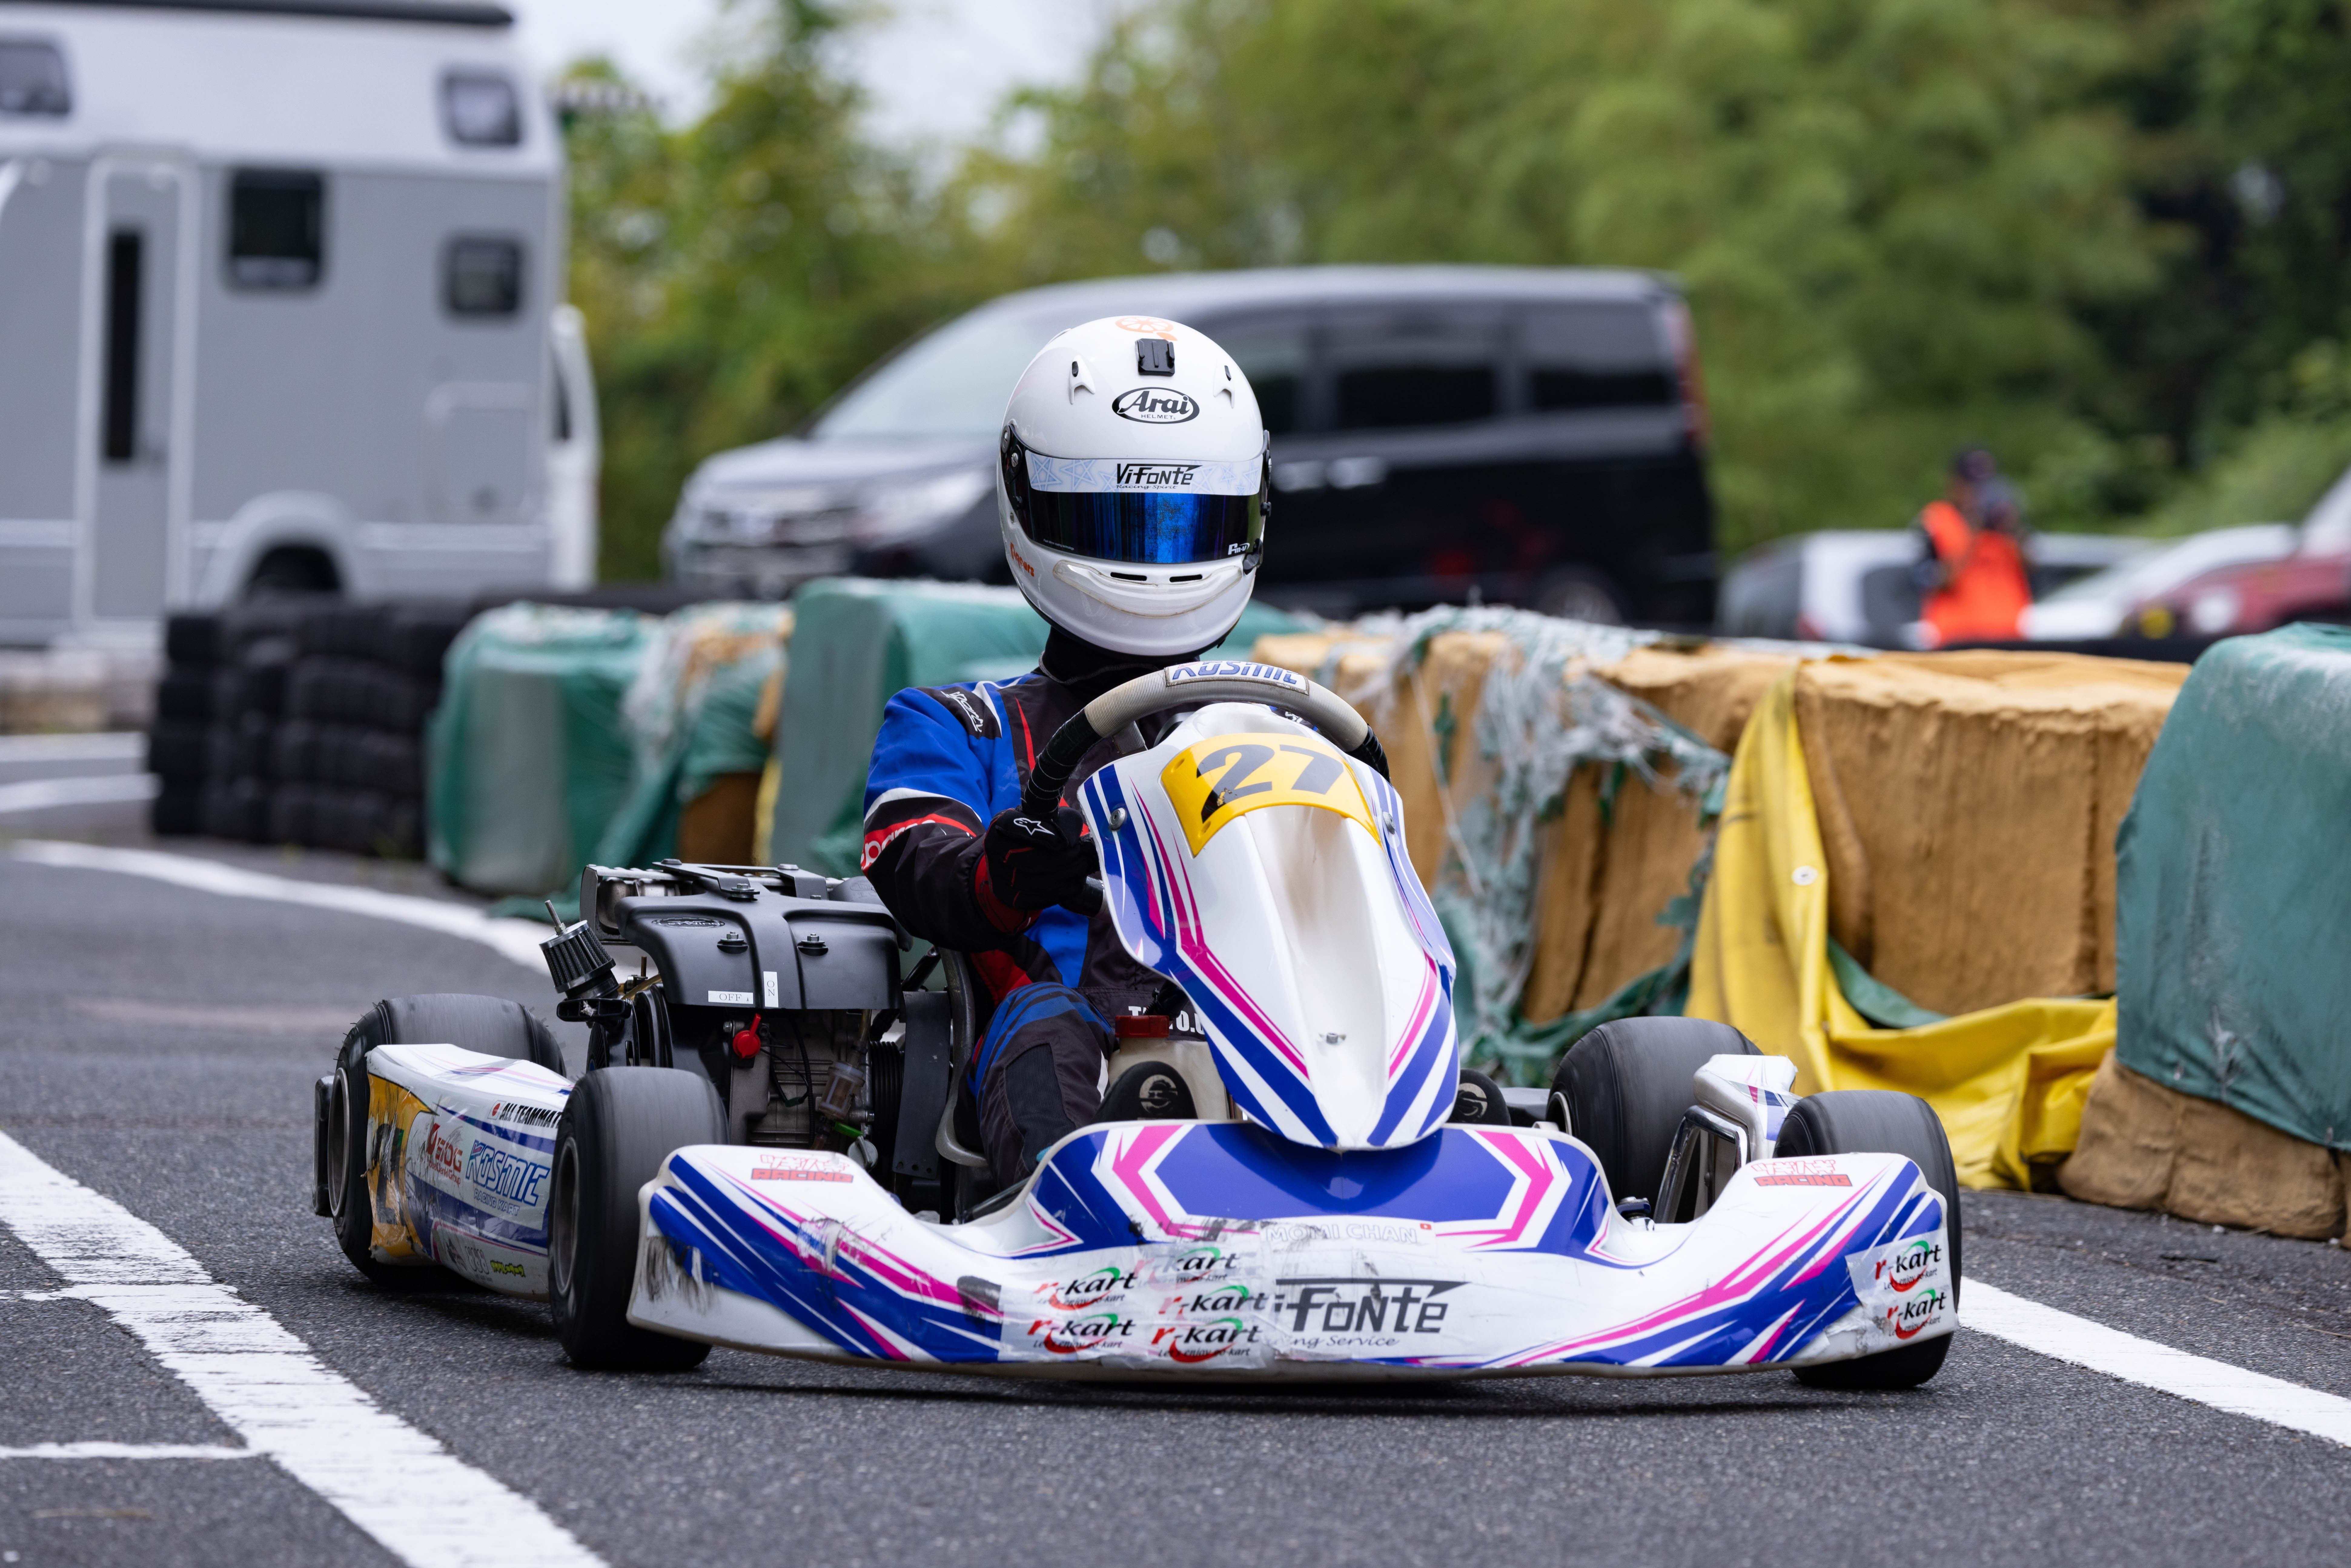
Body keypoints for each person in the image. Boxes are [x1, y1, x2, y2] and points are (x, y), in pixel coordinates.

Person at [858, 315, 1274, 1187]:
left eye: (1184, 527)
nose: (1154, 565)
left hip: (1253, 1025)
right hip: (1057, 1032)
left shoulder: (1274, 728)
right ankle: (1072, 1221)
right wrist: (1001, 869)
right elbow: (909, 857)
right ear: (1035, 507)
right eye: (1112, 524)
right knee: (1050, 1024)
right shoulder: (956, 723)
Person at [1911, 447, 2032, 646]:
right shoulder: (1937, 520)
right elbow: (1934, 582)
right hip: (1956, 639)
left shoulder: (2004, 523)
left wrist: (2012, 531)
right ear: (1954, 484)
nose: (1979, 495)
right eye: (1972, 486)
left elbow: (2033, 570)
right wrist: (1971, 534)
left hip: (2008, 636)